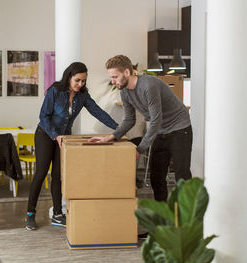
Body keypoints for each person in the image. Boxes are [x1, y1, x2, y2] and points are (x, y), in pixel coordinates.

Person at [26, 62, 118, 230]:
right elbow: (43, 117)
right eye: (77, 80)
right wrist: (55, 135)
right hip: (46, 135)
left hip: (64, 138)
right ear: (69, 77)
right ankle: (30, 214)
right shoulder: (55, 91)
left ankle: (58, 214)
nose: (80, 84)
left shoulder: (82, 95)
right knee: (40, 173)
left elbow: (98, 112)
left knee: (57, 175)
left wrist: (118, 129)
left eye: (83, 81)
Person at [89, 55, 192, 201]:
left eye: (115, 77)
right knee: (156, 177)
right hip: (161, 131)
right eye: (111, 77)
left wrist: (140, 149)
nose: (113, 81)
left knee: (182, 176)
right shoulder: (125, 91)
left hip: (180, 128)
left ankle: (188, 219)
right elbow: (130, 120)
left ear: (126, 72)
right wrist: (111, 136)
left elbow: (156, 120)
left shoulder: (148, 86)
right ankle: (161, 216)